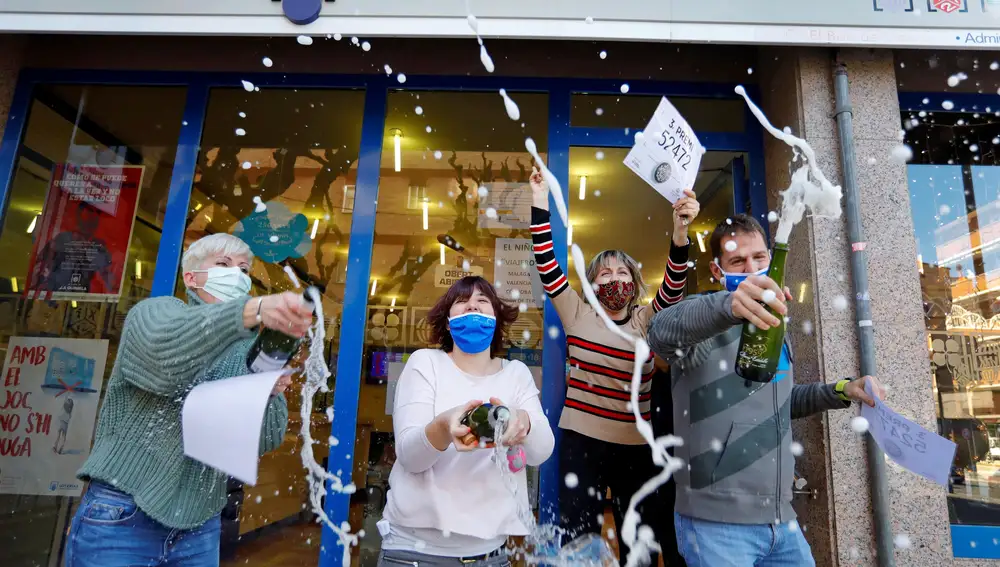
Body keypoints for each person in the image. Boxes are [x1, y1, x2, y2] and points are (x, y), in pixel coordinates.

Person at [646, 214, 887, 567]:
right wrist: (728, 306)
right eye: (738, 261)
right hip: (716, 525)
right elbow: (660, 330)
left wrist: (842, 390)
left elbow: (778, 401)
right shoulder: (703, 327)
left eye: (759, 258)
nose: (752, 268)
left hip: (781, 520)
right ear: (717, 270)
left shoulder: (776, 326)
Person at [66, 233, 313, 567]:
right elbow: (164, 359)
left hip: (199, 528)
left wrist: (267, 393)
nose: (237, 275)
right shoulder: (156, 313)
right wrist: (249, 312)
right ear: (191, 278)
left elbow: (265, 438)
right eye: (223, 264)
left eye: (244, 269)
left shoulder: (248, 351)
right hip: (122, 513)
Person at [528, 168, 698, 566]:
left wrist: (680, 232)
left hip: (636, 448)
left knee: (639, 546)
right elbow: (546, 262)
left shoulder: (645, 321)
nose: (614, 279)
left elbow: (673, 286)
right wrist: (538, 200)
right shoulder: (577, 313)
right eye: (605, 273)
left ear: (635, 283)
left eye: (622, 272)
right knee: (579, 543)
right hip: (581, 444)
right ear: (592, 284)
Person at [378, 276, 555, 566]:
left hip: (492, 556)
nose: (472, 305)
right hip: (415, 553)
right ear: (448, 323)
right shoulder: (425, 363)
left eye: (482, 301)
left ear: (496, 319)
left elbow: (542, 451)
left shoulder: (516, 374)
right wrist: (443, 427)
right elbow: (410, 458)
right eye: (462, 302)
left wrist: (524, 422)